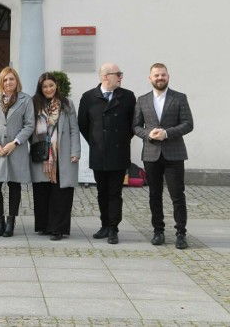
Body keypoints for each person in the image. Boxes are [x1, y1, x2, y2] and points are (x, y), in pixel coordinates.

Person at [133, 63, 193, 249]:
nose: (160, 78)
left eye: (163, 75)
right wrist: (148, 134)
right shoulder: (142, 100)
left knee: (177, 195)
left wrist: (167, 133)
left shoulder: (179, 98)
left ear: (168, 76)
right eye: (156, 75)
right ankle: (158, 231)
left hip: (174, 153)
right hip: (151, 154)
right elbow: (135, 126)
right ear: (150, 78)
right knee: (154, 194)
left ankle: (181, 233)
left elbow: (188, 124)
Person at [78, 63, 136, 245]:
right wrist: (96, 142)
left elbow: (132, 124)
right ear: (105, 77)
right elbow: (83, 124)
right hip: (99, 153)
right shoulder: (89, 97)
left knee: (115, 192)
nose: (120, 76)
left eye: (121, 73)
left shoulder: (127, 96)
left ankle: (113, 228)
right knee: (102, 192)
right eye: (117, 74)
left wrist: (121, 140)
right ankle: (104, 224)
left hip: (119, 153)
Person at [0, 67, 34, 237]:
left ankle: (11, 220)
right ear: (0, 82)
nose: (8, 82)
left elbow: (29, 125)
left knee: (14, 185)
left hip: (15, 149)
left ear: (16, 81)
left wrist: (15, 142)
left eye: (11, 79)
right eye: (5, 80)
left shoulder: (25, 100)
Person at [29, 72, 81, 240]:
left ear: (56, 86)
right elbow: (29, 127)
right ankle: (44, 225)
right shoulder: (34, 103)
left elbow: (74, 129)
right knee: (42, 191)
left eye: (51, 85)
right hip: (42, 153)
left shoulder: (66, 104)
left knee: (61, 192)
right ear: (40, 88)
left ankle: (58, 228)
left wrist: (75, 152)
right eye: (45, 86)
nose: (48, 89)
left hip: (63, 154)